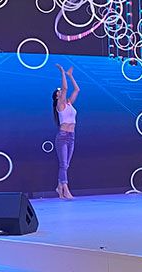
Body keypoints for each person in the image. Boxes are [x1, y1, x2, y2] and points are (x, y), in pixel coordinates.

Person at [52, 63, 80, 200]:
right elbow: (65, 88)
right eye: (59, 92)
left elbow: (77, 89)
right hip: (62, 137)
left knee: (66, 165)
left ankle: (59, 186)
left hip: (71, 136)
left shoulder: (69, 103)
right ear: (57, 96)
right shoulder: (59, 105)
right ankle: (65, 189)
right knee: (63, 164)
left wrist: (70, 76)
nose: (62, 92)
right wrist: (62, 73)